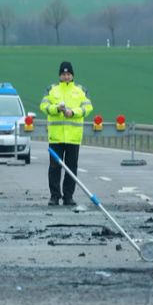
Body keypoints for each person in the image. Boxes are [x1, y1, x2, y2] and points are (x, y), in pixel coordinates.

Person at [40, 61, 93, 206]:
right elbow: (44, 106)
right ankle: (54, 196)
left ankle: (68, 196)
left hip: (73, 137)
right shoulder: (52, 89)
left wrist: (73, 112)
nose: (66, 76)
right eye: (63, 74)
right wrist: (56, 108)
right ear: (59, 76)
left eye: (68, 74)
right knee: (54, 167)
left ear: (72, 75)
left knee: (71, 168)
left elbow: (88, 108)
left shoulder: (80, 90)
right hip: (56, 136)